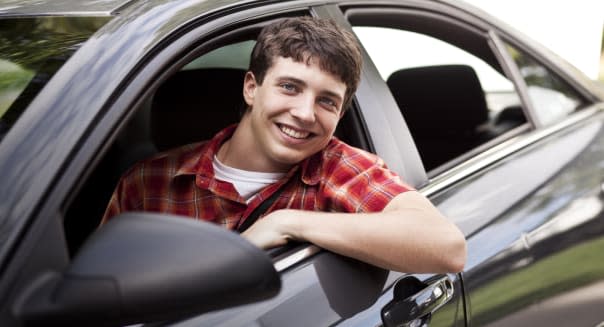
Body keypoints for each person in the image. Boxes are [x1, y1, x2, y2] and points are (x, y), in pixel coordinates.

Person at [102, 16, 466, 273]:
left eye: (327, 101)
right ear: (251, 88)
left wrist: (287, 222)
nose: (305, 113)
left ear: (340, 114)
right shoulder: (148, 182)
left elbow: (446, 247)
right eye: (290, 87)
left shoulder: (336, 167)